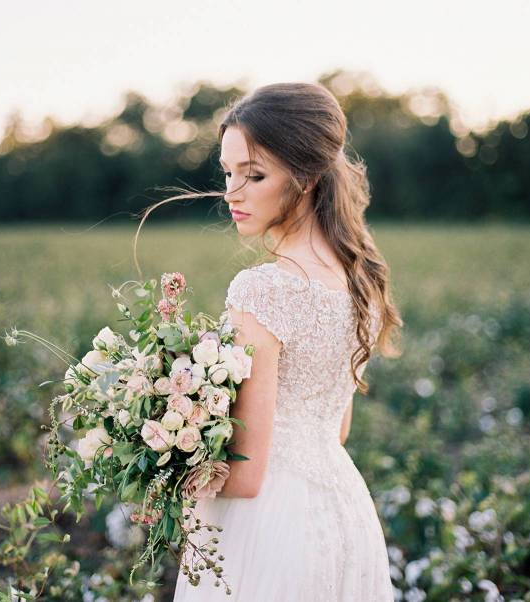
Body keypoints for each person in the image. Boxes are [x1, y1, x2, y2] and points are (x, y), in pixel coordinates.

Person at [169, 82, 403, 601]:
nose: (232, 192)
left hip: (268, 531)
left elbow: (248, 476)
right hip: (345, 515)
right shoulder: (359, 280)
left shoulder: (263, 289)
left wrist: (162, 475)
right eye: (228, 172)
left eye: (254, 175)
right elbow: (336, 429)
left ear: (307, 178)